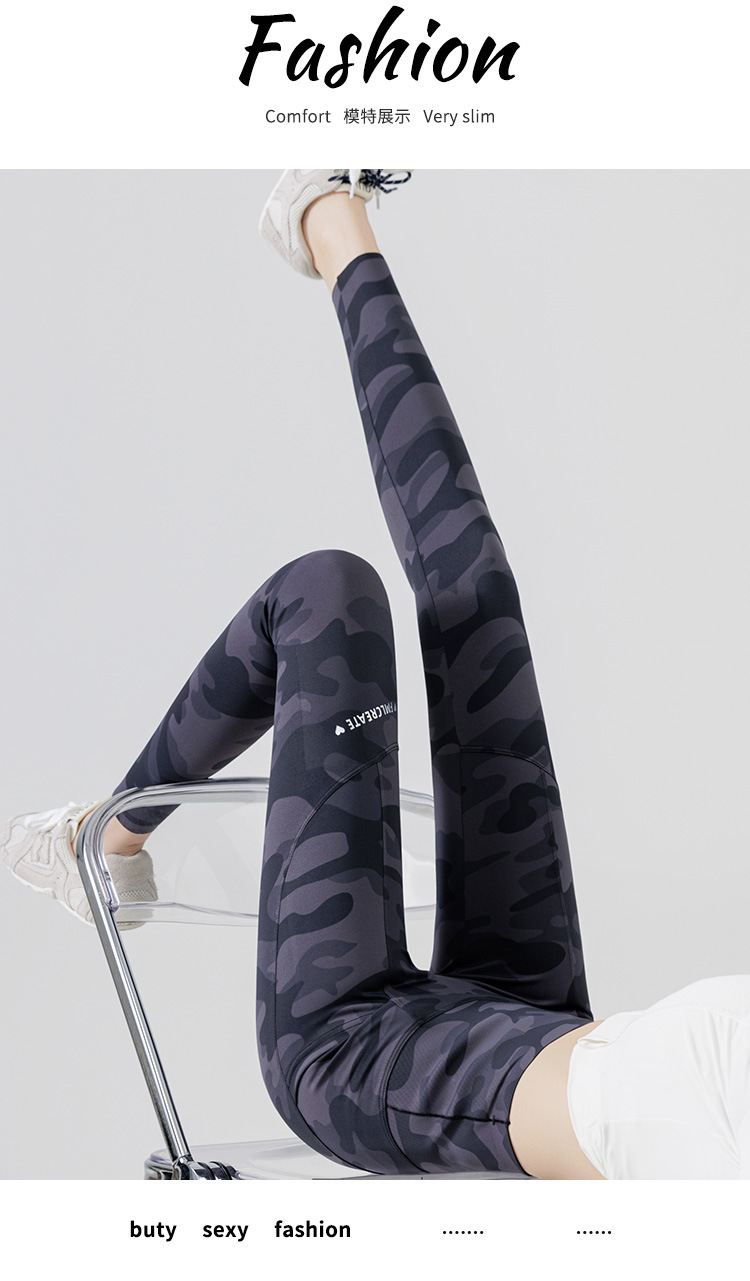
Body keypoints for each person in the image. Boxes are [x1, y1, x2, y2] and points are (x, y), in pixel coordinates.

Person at [4, 170, 750, 1180]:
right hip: (538, 1018)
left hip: (362, 1057)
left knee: (327, 591)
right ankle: (331, 219)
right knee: (477, 592)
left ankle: (101, 838)